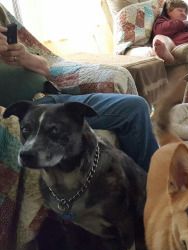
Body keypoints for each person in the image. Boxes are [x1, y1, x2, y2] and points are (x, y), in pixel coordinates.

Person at [0, 11, 158, 172]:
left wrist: (23, 56)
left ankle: (153, 180)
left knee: (135, 106)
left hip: (54, 97)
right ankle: (154, 186)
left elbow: (45, 69)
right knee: (131, 110)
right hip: (27, 110)